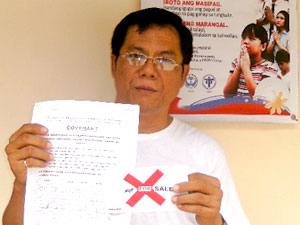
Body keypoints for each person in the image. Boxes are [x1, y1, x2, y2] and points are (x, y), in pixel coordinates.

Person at [3, 8, 251, 225]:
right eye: (136, 56)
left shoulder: (205, 152)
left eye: (165, 60)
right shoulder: (59, 141)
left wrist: (213, 221)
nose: (148, 70)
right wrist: (23, 185)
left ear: (184, 74)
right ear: (114, 64)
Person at [223, 23, 278, 97]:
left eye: (251, 39)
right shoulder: (236, 62)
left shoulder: (269, 67)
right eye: (243, 38)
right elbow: (227, 94)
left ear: (263, 46)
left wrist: (246, 69)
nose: (245, 41)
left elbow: (260, 97)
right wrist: (239, 67)